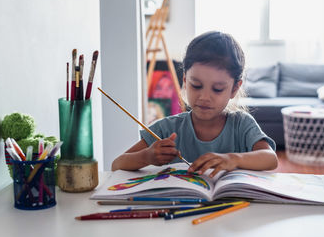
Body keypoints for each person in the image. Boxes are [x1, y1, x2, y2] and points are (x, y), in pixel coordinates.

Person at [112, 31, 278, 177]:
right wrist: (147, 156)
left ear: (235, 88)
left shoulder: (242, 125)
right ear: (185, 80)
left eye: (218, 89)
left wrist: (232, 159)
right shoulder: (167, 129)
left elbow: (271, 159)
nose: (205, 97)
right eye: (196, 85)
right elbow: (117, 164)